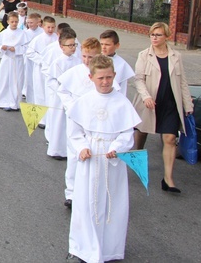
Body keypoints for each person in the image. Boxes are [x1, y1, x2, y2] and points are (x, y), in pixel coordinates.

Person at [66, 55, 141, 263]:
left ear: (114, 75)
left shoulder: (121, 102)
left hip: (111, 160)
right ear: (91, 77)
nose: (105, 82)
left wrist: (117, 147)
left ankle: (109, 249)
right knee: (86, 202)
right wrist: (81, 147)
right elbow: (74, 131)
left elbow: (127, 133)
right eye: (101, 78)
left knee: (111, 203)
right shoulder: (84, 101)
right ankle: (83, 248)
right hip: (90, 158)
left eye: (109, 77)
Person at [133, 22, 194, 193]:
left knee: (169, 139)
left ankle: (168, 179)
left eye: (158, 35)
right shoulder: (144, 55)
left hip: (170, 103)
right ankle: (137, 159)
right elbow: (138, 79)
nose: (154, 38)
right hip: (150, 102)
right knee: (142, 133)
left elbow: (182, 81)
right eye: (152, 34)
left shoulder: (176, 56)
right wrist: (146, 97)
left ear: (166, 36)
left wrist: (187, 104)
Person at [56, 37, 103, 209]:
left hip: (94, 121)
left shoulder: (101, 73)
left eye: (91, 57)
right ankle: (71, 192)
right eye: (84, 56)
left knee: (91, 154)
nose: (86, 60)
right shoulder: (75, 72)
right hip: (76, 118)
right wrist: (71, 107)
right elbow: (63, 91)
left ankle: (89, 192)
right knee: (74, 155)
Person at [42, 28, 80, 159]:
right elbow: (50, 80)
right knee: (58, 122)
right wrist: (61, 88)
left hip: (73, 96)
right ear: (61, 46)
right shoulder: (57, 62)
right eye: (69, 45)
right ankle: (57, 149)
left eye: (74, 45)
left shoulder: (78, 61)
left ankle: (69, 149)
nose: (73, 48)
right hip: (59, 98)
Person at [0, 11, 25, 111]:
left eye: (16, 21)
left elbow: (26, 47)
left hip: (17, 60)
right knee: (5, 79)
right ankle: (2, 101)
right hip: (7, 59)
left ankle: (14, 102)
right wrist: (3, 47)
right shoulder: (4, 33)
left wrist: (17, 49)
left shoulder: (22, 33)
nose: (14, 24)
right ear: (8, 22)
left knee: (17, 80)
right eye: (12, 22)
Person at [99, 30, 134, 98]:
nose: (103, 47)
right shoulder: (95, 59)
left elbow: (122, 89)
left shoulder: (122, 64)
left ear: (117, 45)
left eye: (107, 44)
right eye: (101, 44)